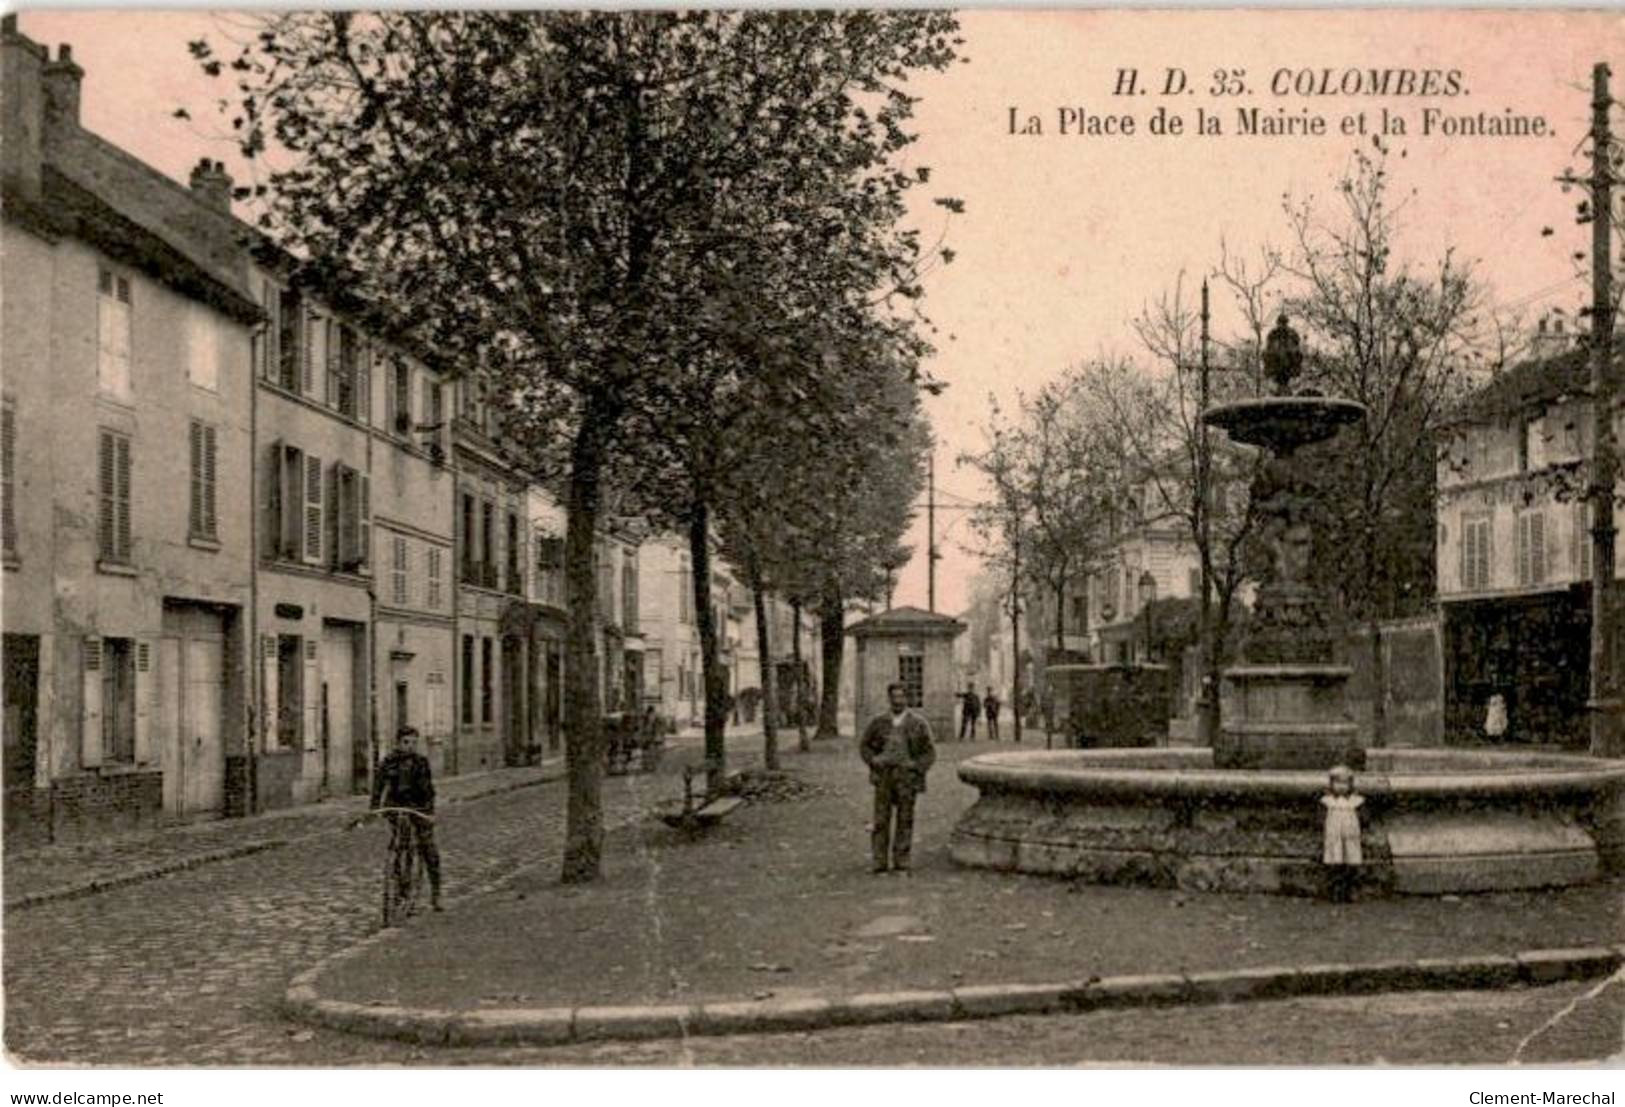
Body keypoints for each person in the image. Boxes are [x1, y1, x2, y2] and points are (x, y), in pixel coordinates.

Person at [860, 682, 936, 874]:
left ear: (907, 699)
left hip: (906, 778)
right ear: (889, 699)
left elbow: (930, 752)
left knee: (905, 818)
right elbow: (865, 746)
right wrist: (873, 760)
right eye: (894, 697)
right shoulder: (878, 722)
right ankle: (879, 862)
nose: (897, 701)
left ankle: (902, 860)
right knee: (881, 819)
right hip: (883, 776)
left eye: (901, 697)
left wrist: (916, 766)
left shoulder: (918, 723)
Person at [371, 725, 442, 911]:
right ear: (398, 743)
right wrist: (375, 808)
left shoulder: (421, 762)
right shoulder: (388, 762)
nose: (410, 746)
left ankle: (436, 893)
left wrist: (429, 812)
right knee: (399, 845)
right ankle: (401, 889)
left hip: (418, 807)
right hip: (395, 807)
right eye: (406, 742)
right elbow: (378, 786)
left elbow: (428, 790)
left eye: (413, 743)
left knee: (428, 847)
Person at [1320, 764, 1364, 903]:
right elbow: (1321, 817)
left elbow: (1363, 817)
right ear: (1331, 784)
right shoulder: (1328, 802)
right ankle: (1335, 892)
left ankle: (1349, 891)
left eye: (1344, 783)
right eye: (1337, 783)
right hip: (1334, 836)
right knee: (1335, 863)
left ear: (1350, 785)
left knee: (1351, 863)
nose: (1341, 787)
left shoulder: (1355, 802)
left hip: (1350, 836)